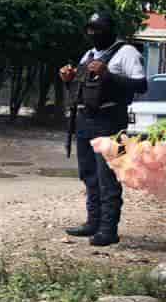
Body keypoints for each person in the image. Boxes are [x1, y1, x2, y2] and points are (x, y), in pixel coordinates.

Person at [60, 14, 146, 246]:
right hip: (85, 120)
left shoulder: (126, 52)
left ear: (109, 29)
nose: (93, 34)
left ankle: (109, 230)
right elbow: (83, 87)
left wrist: (109, 74)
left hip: (112, 121)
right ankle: (93, 223)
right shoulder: (88, 55)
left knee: (108, 176)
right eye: (89, 29)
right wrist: (68, 78)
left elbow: (141, 84)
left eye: (98, 29)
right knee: (89, 174)